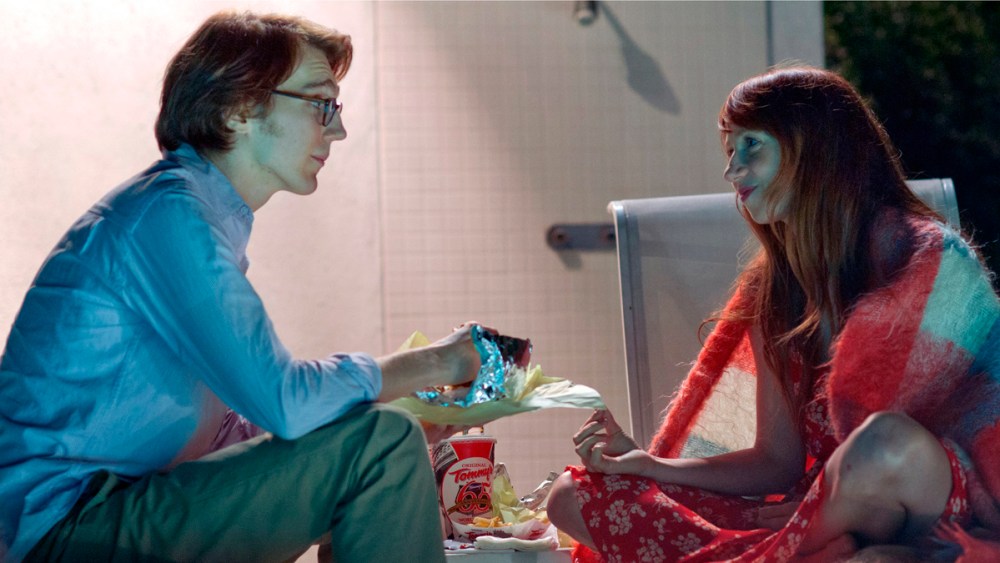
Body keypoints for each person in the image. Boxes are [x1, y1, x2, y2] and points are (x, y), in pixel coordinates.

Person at [0, 11, 481, 563]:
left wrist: (407, 422)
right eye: (321, 104)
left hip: (103, 514)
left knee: (375, 445)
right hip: (63, 532)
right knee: (379, 443)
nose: (338, 130)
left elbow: (235, 434)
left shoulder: (195, 217)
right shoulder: (168, 217)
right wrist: (437, 363)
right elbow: (283, 402)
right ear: (238, 109)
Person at [547, 66, 1000, 561]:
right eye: (729, 151)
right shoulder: (776, 294)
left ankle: (812, 546)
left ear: (815, 147)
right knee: (574, 496)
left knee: (884, 444)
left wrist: (820, 505)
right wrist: (647, 465)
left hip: (930, 495)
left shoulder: (932, 260)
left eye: (751, 145)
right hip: (815, 511)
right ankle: (832, 550)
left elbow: (958, 427)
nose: (732, 170)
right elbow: (774, 462)